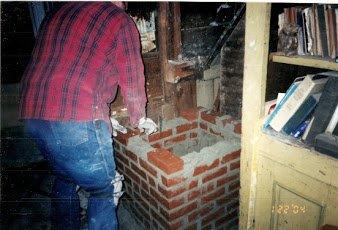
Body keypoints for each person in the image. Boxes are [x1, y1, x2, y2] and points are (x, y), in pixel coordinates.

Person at [19, 2, 157, 229]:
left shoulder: (59, 11)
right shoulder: (118, 19)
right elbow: (131, 71)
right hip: (76, 116)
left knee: (65, 177)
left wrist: (101, 114)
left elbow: (69, 65)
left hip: (33, 113)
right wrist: (139, 117)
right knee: (104, 190)